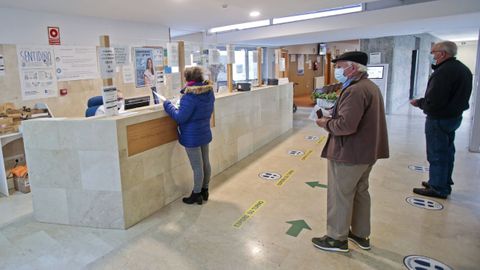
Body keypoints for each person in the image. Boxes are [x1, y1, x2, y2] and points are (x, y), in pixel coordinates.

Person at [313, 51, 389, 253]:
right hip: (366, 152)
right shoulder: (369, 86)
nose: (337, 70)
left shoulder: (355, 90)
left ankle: (336, 238)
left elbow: (346, 126)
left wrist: (325, 122)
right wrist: (335, 114)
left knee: (341, 194)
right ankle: (360, 234)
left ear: (353, 68)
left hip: (349, 153)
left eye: (339, 66)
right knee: (360, 193)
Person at [410, 41, 472, 199]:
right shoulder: (462, 69)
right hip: (453, 117)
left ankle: (437, 187)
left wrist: (420, 103)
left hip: (440, 118)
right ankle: (442, 182)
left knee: (437, 153)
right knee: (447, 152)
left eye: (434, 52)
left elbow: (435, 100)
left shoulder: (443, 72)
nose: (432, 55)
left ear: (443, 53)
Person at [163, 67, 215, 205]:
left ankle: (196, 194)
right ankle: (205, 190)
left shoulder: (190, 97)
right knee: (206, 163)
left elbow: (180, 117)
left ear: (187, 79)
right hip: (204, 132)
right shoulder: (209, 92)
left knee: (197, 166)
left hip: (192, 136)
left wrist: (168, 105)